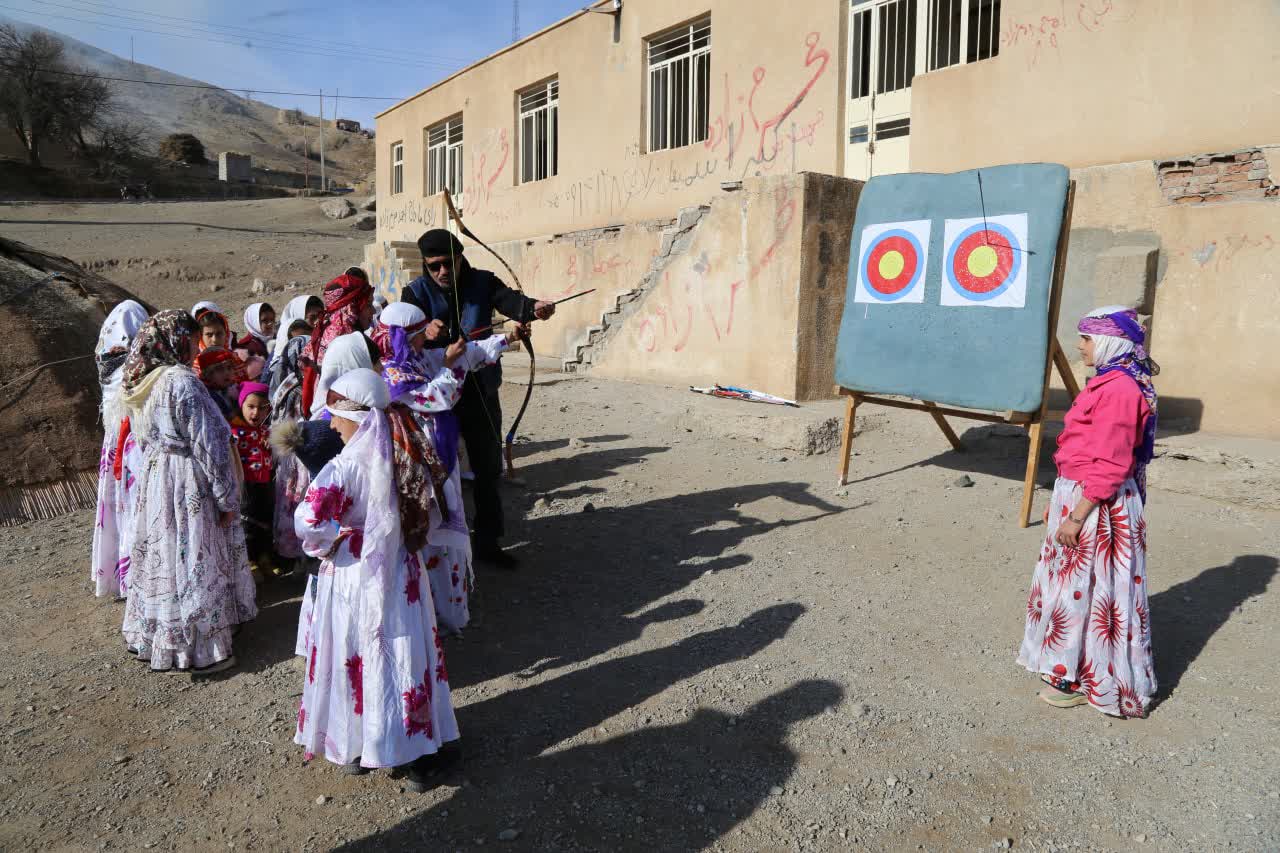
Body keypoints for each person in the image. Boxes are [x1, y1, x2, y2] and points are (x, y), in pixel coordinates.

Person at [293, 368, 459, 789]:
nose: (331, 425)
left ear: (358, 417)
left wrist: (331, 541)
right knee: (402, 649)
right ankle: (418, 751)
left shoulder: (343, 468)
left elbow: (309, 521)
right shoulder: (407, 454)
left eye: (336, 415)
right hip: (400, 569)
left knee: (355, 649)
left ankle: (358, 743)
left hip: (354, 572)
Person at [1017, 306, 1159, 719]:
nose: (1080, 346)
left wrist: (1077, 514)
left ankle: (1080, 679)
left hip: (1097, 504)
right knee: (1079, 588)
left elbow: (1112, 463)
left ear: (1112, 342)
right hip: (1083, 496)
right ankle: (1070, 669)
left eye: (1087, 339)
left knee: (1085, 589)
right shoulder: (1110, 383)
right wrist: (1060, 502)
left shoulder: (1119, 391)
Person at [400, 228, 557, 568]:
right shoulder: (414, 293)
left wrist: (533, 308)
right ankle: (436, 551)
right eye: (433, 266)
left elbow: (510, 300)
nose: (442, 272)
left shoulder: (483, 281)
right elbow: (400, 338)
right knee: (434, 473)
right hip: (435, 400)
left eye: (448, 263)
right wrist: (422, 334)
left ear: (460, 257)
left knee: (487, 468)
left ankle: (488, 543)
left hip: (480, 391)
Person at [372, 302, 522, 632]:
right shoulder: (389, 371)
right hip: (417, 465)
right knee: (428, 533)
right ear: (401, 335)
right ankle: (430, 615)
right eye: (416, 335)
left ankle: (449, 605)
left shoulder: (416, 357)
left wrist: (506, 338)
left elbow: (460, 353)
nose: (423, 340)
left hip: (440, 457)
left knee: (445, 529)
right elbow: (436, 397)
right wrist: (452, 366)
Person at [120, 310, 256, 674]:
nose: (197, 347)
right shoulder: (182, 382)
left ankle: (162, 639)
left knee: (168, 553)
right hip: (186, 478)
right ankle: (204, 650)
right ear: (177, 341)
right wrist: (227, 498)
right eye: (194, 340)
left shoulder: (143, 381)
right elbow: (208, 443)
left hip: (159, 477)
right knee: (195, 554)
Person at [90, 299, 149, 600]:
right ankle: (135, 575)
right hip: (133, 443)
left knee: (120, 509)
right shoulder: (133, 364)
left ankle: (123, 574)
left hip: (115, 443)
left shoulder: (105, 359)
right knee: (134, 506)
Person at [301, 272, 376, 415]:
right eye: (368, 304)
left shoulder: (327, 329)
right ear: (352, 308)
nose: (373, 310)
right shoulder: (342, 340)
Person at [267, 334, 311, 565]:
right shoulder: (293, 388)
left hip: (300, 449)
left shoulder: (304, 382)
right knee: (298, 498)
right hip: (296, 453)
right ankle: (300, 557)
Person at [231, 381, 277, 579]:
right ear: (241, 406)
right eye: (251, 407)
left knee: (265, 519)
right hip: (245, 484)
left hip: (265, 483)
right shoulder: (234, 431)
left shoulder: (267, 431)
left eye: (261, 407)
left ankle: (264, 557)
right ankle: (250, 562)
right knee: (247, 522)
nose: (255, 413)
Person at [195, 346, 240, 421]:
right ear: (208, 374)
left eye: (229, 367)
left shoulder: (233, 388)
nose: (227, 373)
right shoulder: (207, 396)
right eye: (219, 369)